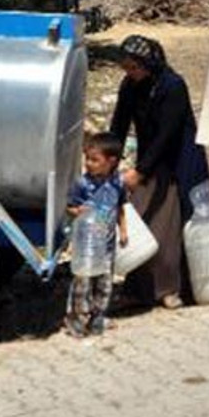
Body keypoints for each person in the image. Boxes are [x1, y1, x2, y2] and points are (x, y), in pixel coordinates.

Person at [109, 35, 209, 310]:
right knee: (141, 220)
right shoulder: (131, 85)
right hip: (151, 160)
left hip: (179, 161)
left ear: (148, 63)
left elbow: (168, 134)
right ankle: (139, 289)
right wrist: (108, 160)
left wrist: (140, 172)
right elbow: (119, 124)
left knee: (169, 225)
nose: (130, 73)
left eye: (133, 67)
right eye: (126, 68)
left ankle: (170, 288)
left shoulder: (172, 86)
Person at [64, 132, 129, 337]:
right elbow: (70, 207)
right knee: (82, 281)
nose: (89, 164)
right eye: (87, 159)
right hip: (86, 243)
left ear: (111, 161)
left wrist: (124, 231)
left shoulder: (117, 182)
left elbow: (120, 207)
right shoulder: (83, 184)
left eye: (94, 160)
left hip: (107, 244)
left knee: (105, 281)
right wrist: (78, 212)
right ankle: (77, 317)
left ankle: (98, 316)